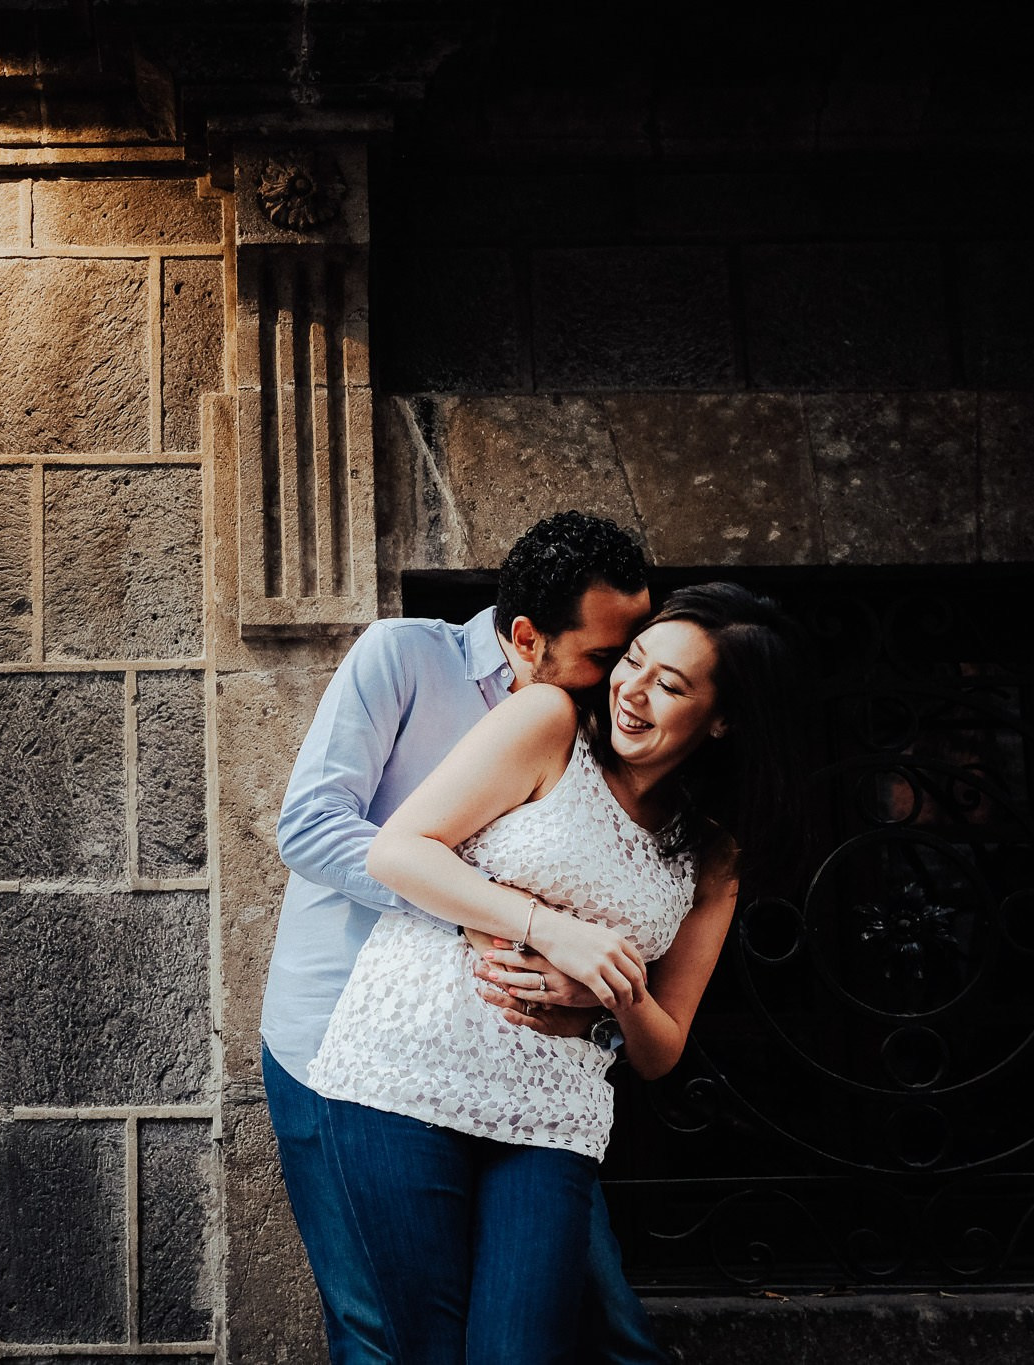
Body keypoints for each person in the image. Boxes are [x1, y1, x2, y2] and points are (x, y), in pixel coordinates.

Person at [309, 582, 808, 1365]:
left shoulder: (712, 853)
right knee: (424, 1349)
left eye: (670, 685)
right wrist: (555, 931)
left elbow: (660, 1047)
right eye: (631, 660)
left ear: (722, 719)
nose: (632, 690)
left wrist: (609, 992)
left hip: (552, 1114)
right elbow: (398, 849)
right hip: (402, 1074)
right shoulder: (549, 724)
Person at [260, 512, 660, 1364]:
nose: (620, 678)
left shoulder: (599, 727)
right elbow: (310, 826)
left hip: (514, 1075)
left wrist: (593, 1005)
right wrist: (476, 910)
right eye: (602, 655)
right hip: (342, 1042)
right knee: (382, 1331)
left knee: (609, 1324)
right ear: (526, 636)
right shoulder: (402, 657)